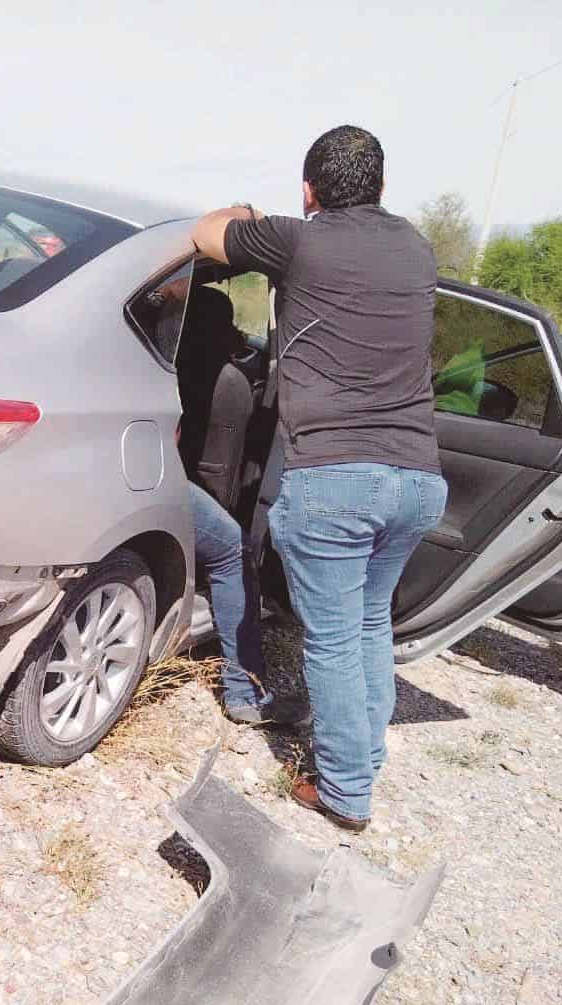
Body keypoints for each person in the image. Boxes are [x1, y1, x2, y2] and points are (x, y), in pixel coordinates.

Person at [190, 126, 447, 833]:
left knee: (331, 639)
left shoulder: (298, 240)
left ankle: (342, 792)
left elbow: (206, 233)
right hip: (418, 480)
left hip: (334, 477)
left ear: (307, 191)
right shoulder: (415, 246)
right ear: (382, 188)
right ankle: (363, 761)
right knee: (367, 626)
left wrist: (244, 212)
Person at [174, 286, 305, 727]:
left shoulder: (150, 351)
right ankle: (245, 693)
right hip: (150, 480)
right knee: (233, 549)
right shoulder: (227, 382)